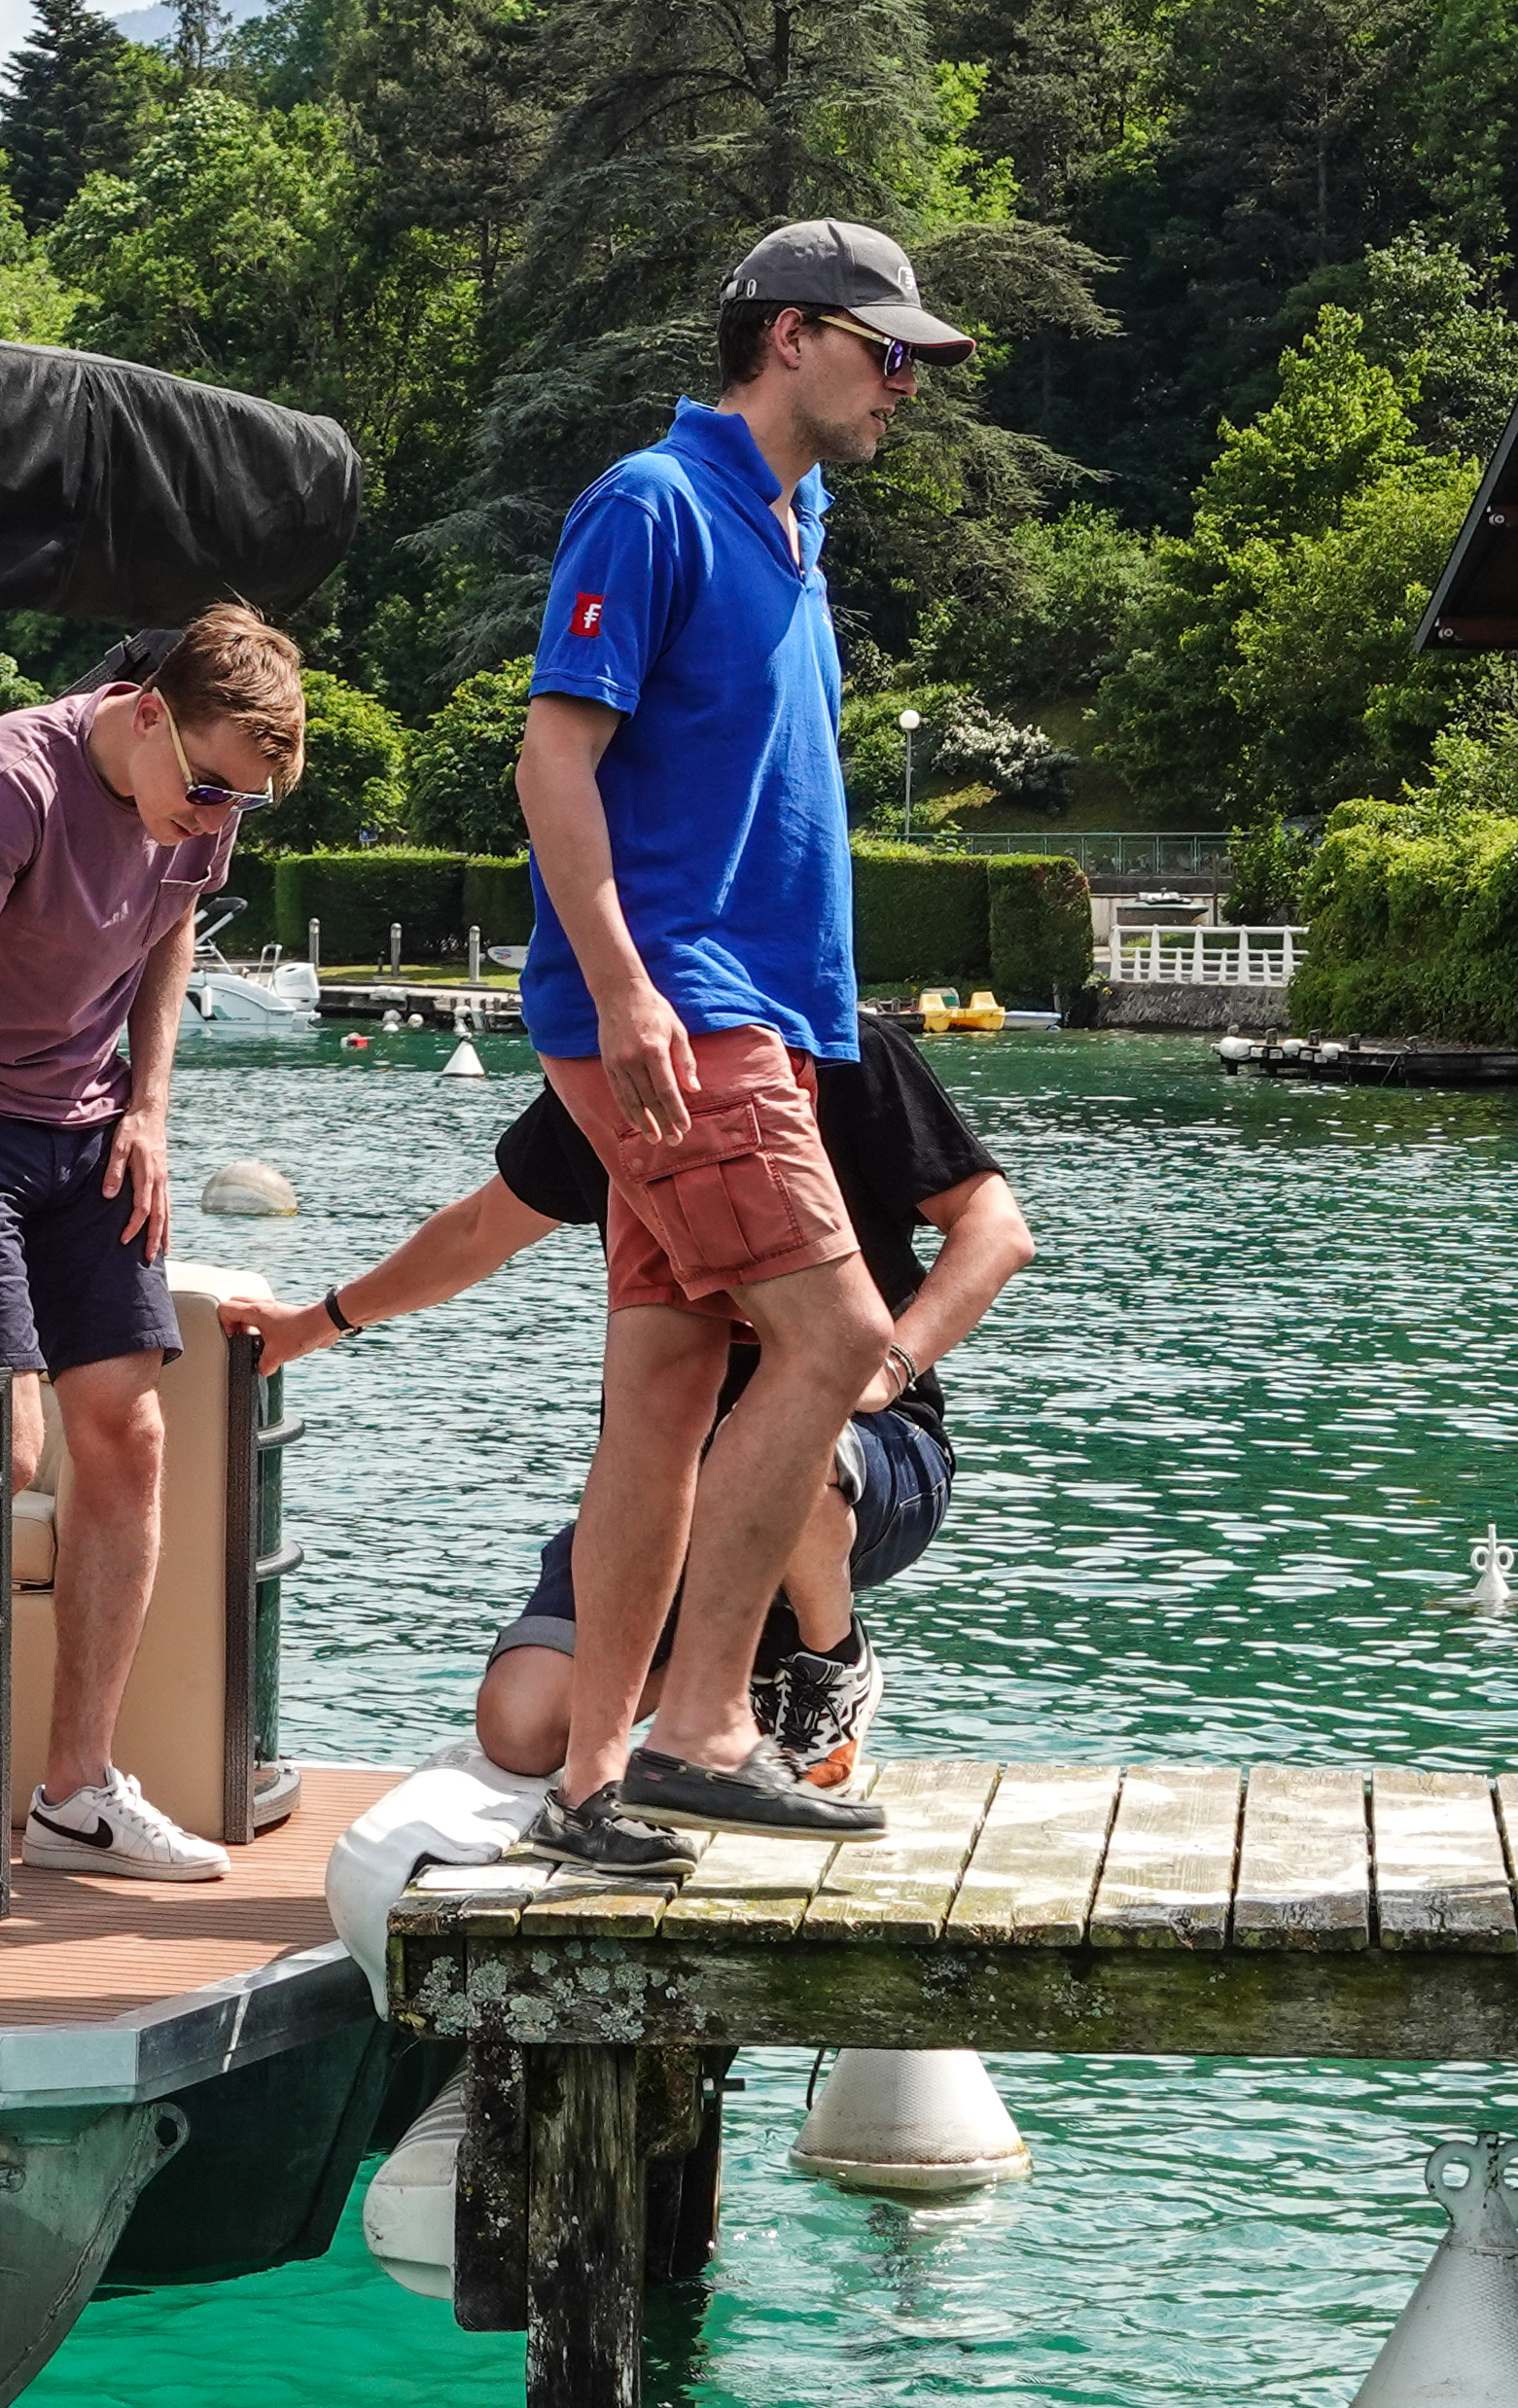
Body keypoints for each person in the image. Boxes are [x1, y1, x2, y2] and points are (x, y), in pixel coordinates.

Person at [511, 219, 972, 1873]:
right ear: (790, 336)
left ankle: (587, 1788)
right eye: (884, 349)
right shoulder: (653, 501)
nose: (905, 381)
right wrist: (631, 993)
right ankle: (709, 1726)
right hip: (685, 1012)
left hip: (750, 1011)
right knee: (840, 1334)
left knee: (665, 1383)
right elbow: (553, 763)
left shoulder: (797, 521)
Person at [226, 1036, 1029, 1786]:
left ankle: (827, 1654)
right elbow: (478, 1230)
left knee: (791, 1445)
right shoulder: (606, 1076)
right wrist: (317, 1321)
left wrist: (889, 1364)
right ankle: (747, 1653)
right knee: (524, 1726)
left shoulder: (842, 1046)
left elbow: (996, 1228)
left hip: (868, 1449)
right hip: (666, 1474)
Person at [0, 606, 304, 1884]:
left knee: (131, 1427)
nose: (216, 819)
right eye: (210, 786)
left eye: (245, 806)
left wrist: (151, 1108)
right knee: (14, 1437)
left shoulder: (196, 814)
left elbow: (169, 944)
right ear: (147, 710)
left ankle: (76, 1791)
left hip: (87, 1118)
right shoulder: (7, 780)